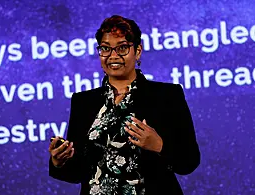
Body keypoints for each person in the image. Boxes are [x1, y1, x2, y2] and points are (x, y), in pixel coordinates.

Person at [48, 15, 200, 195]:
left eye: (122, 48)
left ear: (137, 51)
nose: (113, 56)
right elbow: (77, 173)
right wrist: (59, 162)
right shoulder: (83, 102)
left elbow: (189, 161)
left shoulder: (167, 95)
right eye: (105, 48)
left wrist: (159, 145)